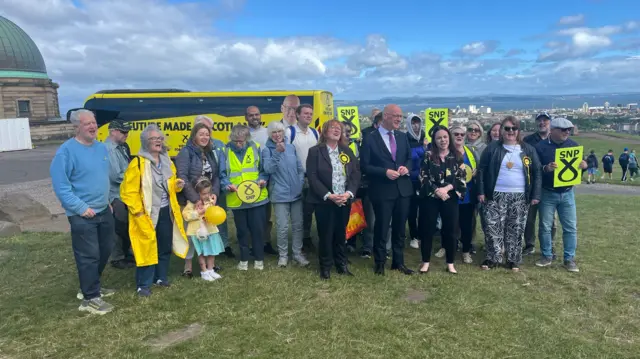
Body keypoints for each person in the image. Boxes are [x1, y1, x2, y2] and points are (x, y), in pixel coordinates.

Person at [51, 109, 116, 314]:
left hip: (104, 209)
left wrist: (107, 201)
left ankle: (91, 286)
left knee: (106, 250)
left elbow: (101, 178)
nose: (93, 126)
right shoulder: (65, 152)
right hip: (82, 214)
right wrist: (81, 208)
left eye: (94, 123)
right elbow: (61, 187)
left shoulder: (101, 148)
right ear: (76, 126)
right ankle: (90, 299)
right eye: (87, 123)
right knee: (89, 255)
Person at [120, 124, 189, 297]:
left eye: (160, 138)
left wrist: (177, 185)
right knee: (146, 247)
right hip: (146, 214)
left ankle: (161, 277)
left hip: (166, 211)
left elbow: (170, 185)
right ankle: (143, 284)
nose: (158, 141)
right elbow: (128, 191)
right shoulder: (137, 163)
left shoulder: (166, 161)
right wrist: (138, 212)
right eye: (153, 139)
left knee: (164, 244)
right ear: (145, 142)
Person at [478, 117, 541, 272]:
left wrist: (535, 194)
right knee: (493, 227)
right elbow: (481, 170)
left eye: (514, 128)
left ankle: (513, 259)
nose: (510, 131)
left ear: (518, 130)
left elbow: (537, 172)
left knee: (516, 228)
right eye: (507, 128)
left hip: (520, 196)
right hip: (495, 194)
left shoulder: (528, 150)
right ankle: (494, 257)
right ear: (501, 131)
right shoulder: (492, 148)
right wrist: (481, 191)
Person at [360, 104, 414, 275]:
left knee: (399, 229)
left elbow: (409, 159)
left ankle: (398, 262)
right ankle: (380, 262)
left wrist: (406, 168)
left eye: (401, 116)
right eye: (396, 116)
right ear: (385, 116)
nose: (399, 119)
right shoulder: (370, 138)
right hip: (382, 191)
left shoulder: (402, 136)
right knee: (382, 228)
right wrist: (384, 172)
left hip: (402, 190)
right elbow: (364, 166)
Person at [306, 119, 361, 279]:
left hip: (344, 199)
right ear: (324, 131)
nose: (337, 130)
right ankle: (325, 266)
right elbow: (313, 176)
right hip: (324, 200)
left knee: (340, 233)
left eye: (339, 128)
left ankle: (341, 264)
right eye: (333, 128)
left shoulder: (346, 150)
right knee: (326, 234)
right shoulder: (315, 151)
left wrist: (349, 193)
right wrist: (329, 195)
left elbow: (355, 173)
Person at [535, 118, 587, 272]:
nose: (567, 132)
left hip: (567, 193)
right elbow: (536, 170)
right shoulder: (540, 147)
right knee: (545, 226)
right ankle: (546, 255)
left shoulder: (574, 146)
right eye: (563, 130)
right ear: (553, 130)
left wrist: (584, 166)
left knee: (570, 227)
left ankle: (569, 259)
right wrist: (546, 168)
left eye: (569, 130)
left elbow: (577, 170)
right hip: (547, 193)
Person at [417, 126, 466, 274]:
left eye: (445, 137)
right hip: (431, 197)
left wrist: (446, 189)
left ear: (449, 138)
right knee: (427, 229)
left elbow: (461, 178)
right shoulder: (428, 155)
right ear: (435, 140)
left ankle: (450, 263)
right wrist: (437, 190)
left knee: (450, 230)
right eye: (439, 138)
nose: (443, 140)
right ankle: (425, 261)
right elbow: (423, 176)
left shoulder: (457, 155)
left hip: (450, 197)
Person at [220, 124, 269, 271]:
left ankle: (259, 259)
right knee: (242, 231)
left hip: (257, 198)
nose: (239, 144)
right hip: (236, 199)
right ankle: (244, 259)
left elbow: (263, 170)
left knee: (258, 230)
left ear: (247, 139)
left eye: (241, 141)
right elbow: (222, 174)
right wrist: (227, 185)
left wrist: (262, 180)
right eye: (236, 141)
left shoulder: (257, 148)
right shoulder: (225, 151)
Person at [176, 122, 222, 278]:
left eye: (207, 134)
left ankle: (210, 266)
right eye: (201, 134)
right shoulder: (185, 152)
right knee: (191, 233)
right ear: (194, 135)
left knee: (208, 231)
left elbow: (215, 176)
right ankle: (188, 267)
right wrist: (196, 199)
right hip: (189, 201)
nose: (205, 137)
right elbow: (182, 177)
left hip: (207, 199)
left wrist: (214, 193)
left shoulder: (209, 152)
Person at [262, 121, 309, 268]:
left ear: (283, 133)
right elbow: (268, 169)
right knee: (282, 227)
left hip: (296, 193)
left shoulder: (291, 147)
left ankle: (297, 253)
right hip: (279, 194)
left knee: (298, 225)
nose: (277, 135)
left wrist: (300, 183)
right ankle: (283, 256)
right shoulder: (267, 150)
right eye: (274, 133)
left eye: (279, 132)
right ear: (270, 135)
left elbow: (300, 169)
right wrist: (277, 152)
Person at [192, 115, 234, 258]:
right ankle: (205, 248)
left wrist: (220, 186)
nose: (207, 132)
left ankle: (224, 245)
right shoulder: (191, 146)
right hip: (200, 190)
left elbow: (222, 167)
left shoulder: (219, 144)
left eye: (209, 129)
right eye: (204, 129)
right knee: (202, 219)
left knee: (220, 216)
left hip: (217, 187)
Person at [284, 104, 319, 252]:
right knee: (300, 211)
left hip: (313, 178)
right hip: (297, 178)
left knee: (311, 208)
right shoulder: (289, 132)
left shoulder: (315, 133)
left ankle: (307, 238)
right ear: (297, 115)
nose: (309, 116)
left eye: (311, 113)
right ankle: (301, 241)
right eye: (305, 113)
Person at [522, 112, 555, 256]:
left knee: (549, 220)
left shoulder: (555, 140)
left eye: (545, 120)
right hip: (531, 184)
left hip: (550, 185)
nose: (542, 123)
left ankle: (549, 246)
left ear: (550, 123)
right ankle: (529, 245)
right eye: (540, 120)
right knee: (529, 219)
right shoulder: (528, 140)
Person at [105, 120, 135, 270]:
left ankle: (127, 254)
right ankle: (117, 258)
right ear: (113, 132)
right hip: (116, 195)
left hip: (125, 193)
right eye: (123, 132)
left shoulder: (121, 147)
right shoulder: (109, 150)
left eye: (127, 132)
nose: (126, 135)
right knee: (119, 226)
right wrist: (136, 177)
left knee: (127, 224)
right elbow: (116, 176)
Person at [181, 177, 225, 281]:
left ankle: (210, 270)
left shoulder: (210, 202)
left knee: (212, 251)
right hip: (197, 232)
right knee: (201, 252)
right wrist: (198, 213)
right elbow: (186, 216)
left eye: (208, 193)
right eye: (204, 194)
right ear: (197, 193)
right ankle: (204, 271)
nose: (206, 196)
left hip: (210, 229)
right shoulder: (192, 204)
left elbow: (213, 214)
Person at [451, 125, 479, 264]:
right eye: (456, 133)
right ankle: (447, 247)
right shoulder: (446, 152)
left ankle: (466, 251)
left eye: (462, 134)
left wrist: (476, 172)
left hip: (467, 196)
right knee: (449, 224)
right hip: (450, 195)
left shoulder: (471, 152)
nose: (459, 136)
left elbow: (479, 169)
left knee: (466, 225)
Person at [405, 113, 425, 250]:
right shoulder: (404, 139)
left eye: (417, 122)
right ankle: (413, 236)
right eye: (413, 123)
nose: (415, 125)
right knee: (411, 210)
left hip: (424, 181)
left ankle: (422, 235)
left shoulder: (426, 139)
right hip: (410, 180)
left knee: (424, 210)